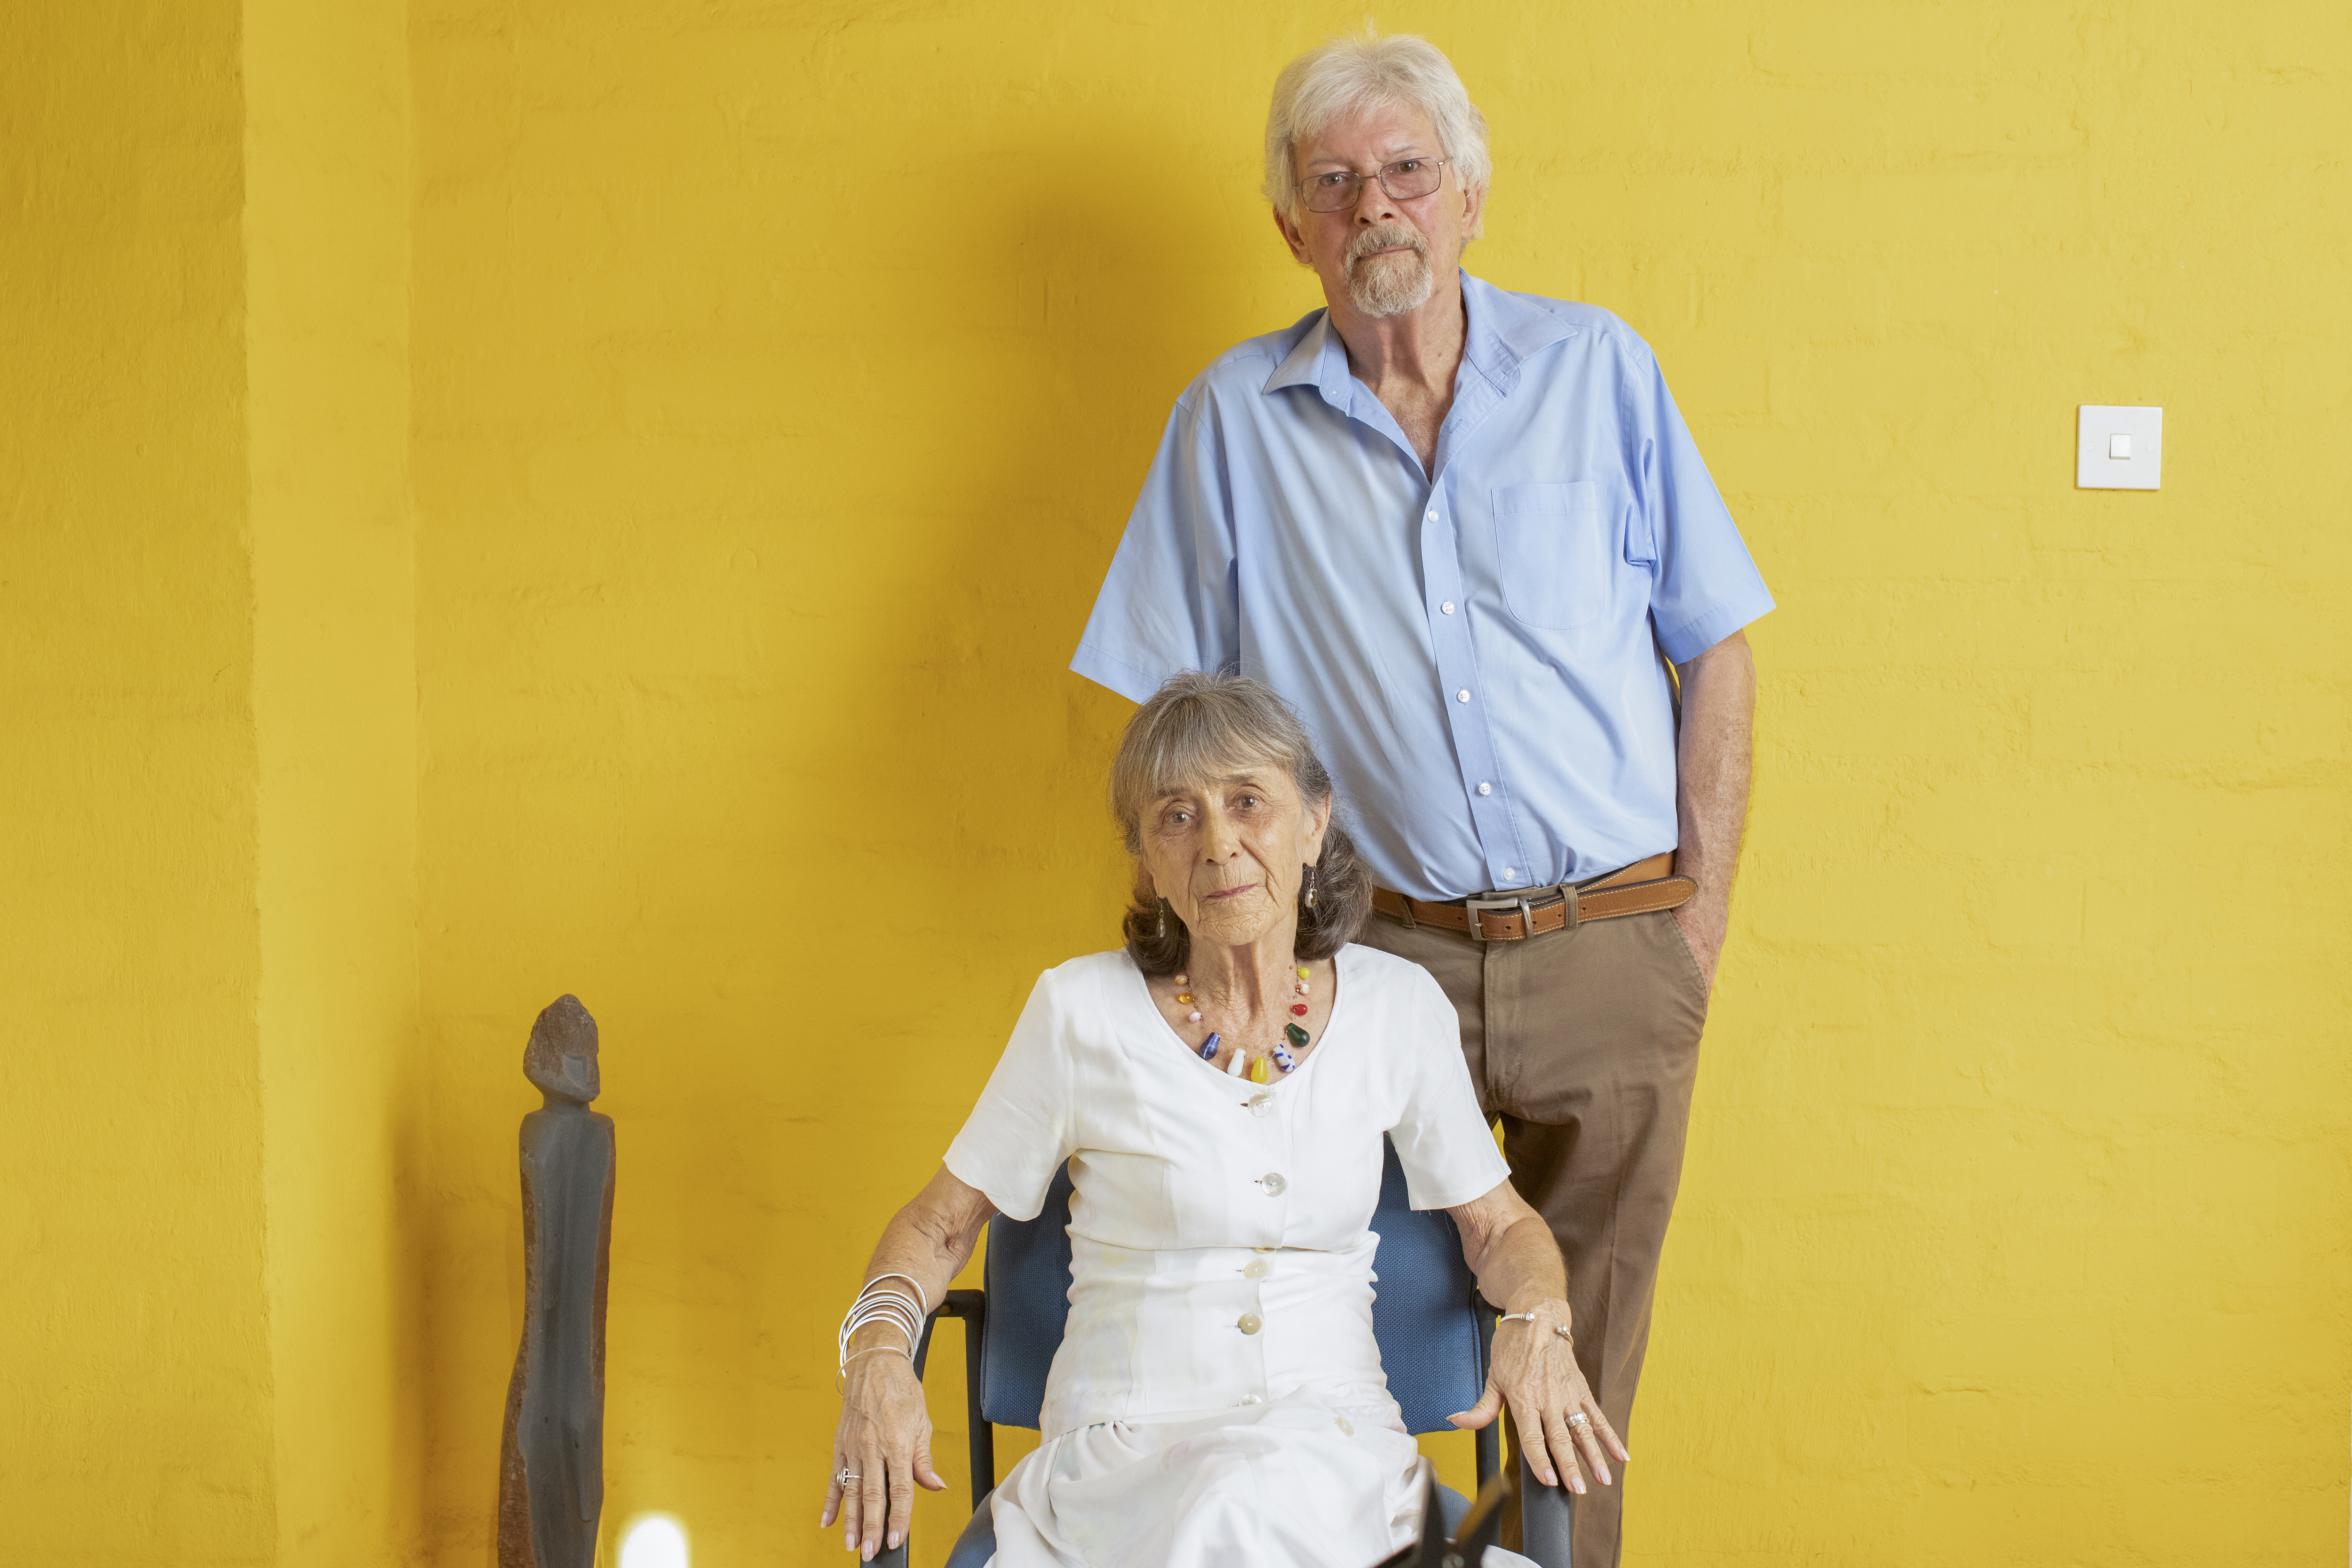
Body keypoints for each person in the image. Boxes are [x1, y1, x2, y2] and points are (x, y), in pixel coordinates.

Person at [1069, 32, 1772, 1568]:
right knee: (1355, 1345)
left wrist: (1691, 927)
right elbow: (1163, 729)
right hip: (1370, 972)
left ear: (1466, 194)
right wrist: (1225, 959)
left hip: (1615, 949)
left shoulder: (1604, 374)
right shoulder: (1229, 425)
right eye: (1335, 183)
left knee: (1579, 1372)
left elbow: (1716, 647)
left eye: (1405, 171)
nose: (1375, 205)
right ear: (1291, 225)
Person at [820, 673, 1626, 1567]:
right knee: (1234, 1508)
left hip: (1342, 1456)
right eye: (1177, 816)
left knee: (1270, 1499)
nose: (1218, 844)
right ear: (1149, 862)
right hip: (1125, 1463)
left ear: (1315, 823)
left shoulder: (1399, 1007)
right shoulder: (1078, 1012)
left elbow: (1501, 1228)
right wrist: (879, 1355)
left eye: (1249, 802)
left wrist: (1539, 1317)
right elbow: (936, 1228)